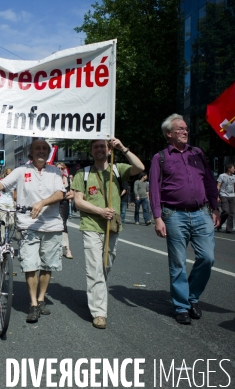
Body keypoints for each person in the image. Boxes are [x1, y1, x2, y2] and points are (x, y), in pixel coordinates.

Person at [0, 140, 69, 323]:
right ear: (31, 153)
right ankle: (33, 304)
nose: (41, 151)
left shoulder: (55, 172)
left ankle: (42, 298)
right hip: (28, 225)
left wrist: (42, 203)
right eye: (38, 148)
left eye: (44, 149)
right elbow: (2, 184)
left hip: (52, 225)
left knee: (47, 266)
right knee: (30, 265)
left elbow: (61, 194)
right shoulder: (21, 171)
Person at [149, 114, 220, 325]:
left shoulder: (197, 153)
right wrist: (157, 217)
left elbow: (208, 180)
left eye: (186, 128)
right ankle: (181, 306)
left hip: (201, 213)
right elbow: (154, 188)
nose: (185, 132)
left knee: (207, 258)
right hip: (173, 214)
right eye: (180, 129)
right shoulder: (160, 157)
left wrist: (215, 207)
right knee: (178, 262)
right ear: (168, 134)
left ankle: (191, 297)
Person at [72, 139, 144, 329]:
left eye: (103, 146)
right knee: (95, 268)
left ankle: (98, 294)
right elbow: (78, 202)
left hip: (112, 227)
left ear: (109, 149)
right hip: (91, 226)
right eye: (95, 146)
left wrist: (123, 148)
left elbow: (139, 167)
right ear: (91, 151)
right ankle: (99, 312)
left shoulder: (117, 169)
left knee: (106, 265)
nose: (99, 149)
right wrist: (100, 211)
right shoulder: (83, 174)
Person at [56, 163, 74, 259]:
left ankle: (67, 249)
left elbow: (72, 194)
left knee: (63, 224)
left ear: (64, 169)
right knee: (55, 225)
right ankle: (58, 248)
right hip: (54, 204)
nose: (59, 169)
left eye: (61, 168)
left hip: (64, 205)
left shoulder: (67, 180)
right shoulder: (52, 179)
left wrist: (63, 196)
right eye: (58, 168)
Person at [0, 168, 17, 241]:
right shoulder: (1, 182)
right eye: (7, 174)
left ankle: (6, 234)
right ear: (5, 174)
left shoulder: (13, 183)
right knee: (3, 222)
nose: (9, 176)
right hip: (2, 203)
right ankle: (3, 239)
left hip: (10, 204)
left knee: (11, 222)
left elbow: (13, 194)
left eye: (10, 174)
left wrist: (15, 202)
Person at [216, 164, 235, 233]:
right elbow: (218, 186)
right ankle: (219, 224)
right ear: (229, 169)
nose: (234, 170)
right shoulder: (222, 176)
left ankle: (229, 229)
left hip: (232, 196)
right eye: (233, 168)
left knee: (232, 212)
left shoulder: (234, 177)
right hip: (223, 195)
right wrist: (217, 196)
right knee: (226, 211)